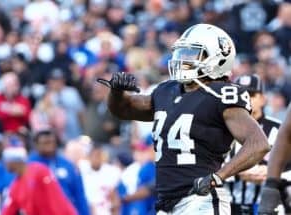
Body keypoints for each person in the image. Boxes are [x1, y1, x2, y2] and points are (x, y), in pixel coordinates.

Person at [97, 23, 270, 214]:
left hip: (200, 200)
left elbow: (258, 143)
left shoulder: (221, 94)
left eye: (191, 53)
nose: (183, 59)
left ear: (218, 58)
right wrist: (117, 92)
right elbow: (123, 109)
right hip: (166, 202)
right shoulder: (167, 90)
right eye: (182, 53)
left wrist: (219, 176)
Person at [225, 74, 281, 215]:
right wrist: (238, 173)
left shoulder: (278, 129)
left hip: (265, 206)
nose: (246, 98)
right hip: (227, 206)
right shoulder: (222, 127)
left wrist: (272, 174)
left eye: (251, 94)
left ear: (262, 99)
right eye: (241, 93)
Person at [1, 140, 77, 215]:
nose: (5, 164)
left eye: (7, 161)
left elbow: (55, 199)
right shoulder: (16, 185)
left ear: (15, 162)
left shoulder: (39, 171)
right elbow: (9, 209)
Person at [29, 130, 89, 215]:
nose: (49, 145)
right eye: (45, 142)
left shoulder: (67, 164)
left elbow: (79, 193)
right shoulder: (30, 166)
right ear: (37, 145)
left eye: (51, 142)